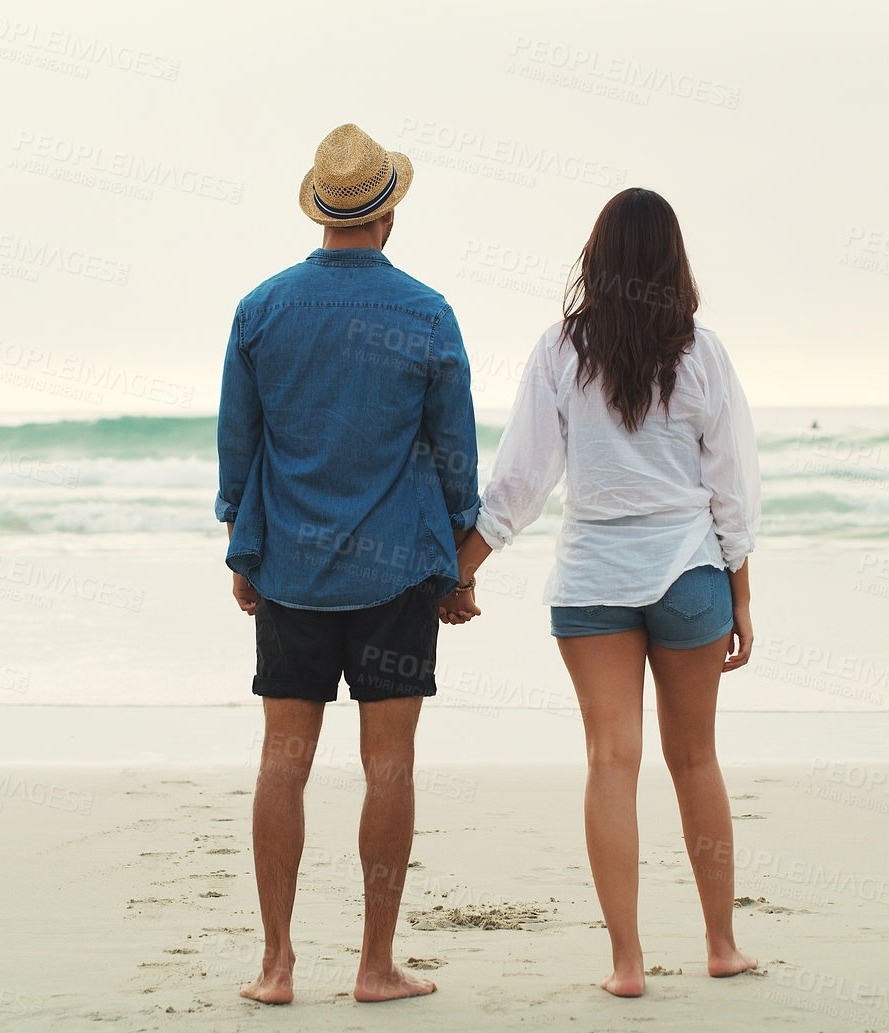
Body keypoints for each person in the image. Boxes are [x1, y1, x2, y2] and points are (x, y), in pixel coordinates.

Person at [443, 187, 762, 998]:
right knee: (695, 760)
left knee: (610, 762)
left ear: (599, 258)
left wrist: (465, 563)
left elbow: (521, 477)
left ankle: (627, 963)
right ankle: (721, 945)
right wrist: (742, 592)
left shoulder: (561, 350)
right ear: (671, 261)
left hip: (590, 581)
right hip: (690, 573)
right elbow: (732, 486)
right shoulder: (703, 354)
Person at [216, 123, 478, 1005]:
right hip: (398, 571)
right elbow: (455, 458)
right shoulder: (428, 313)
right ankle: (373, 964)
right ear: (388, 213)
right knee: (390, 765)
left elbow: (240, 452)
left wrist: (242, 550)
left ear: (323, 211)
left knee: (282, 762)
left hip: (290, 568)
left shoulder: (262, 309)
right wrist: (458, 565)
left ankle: (276, 964)